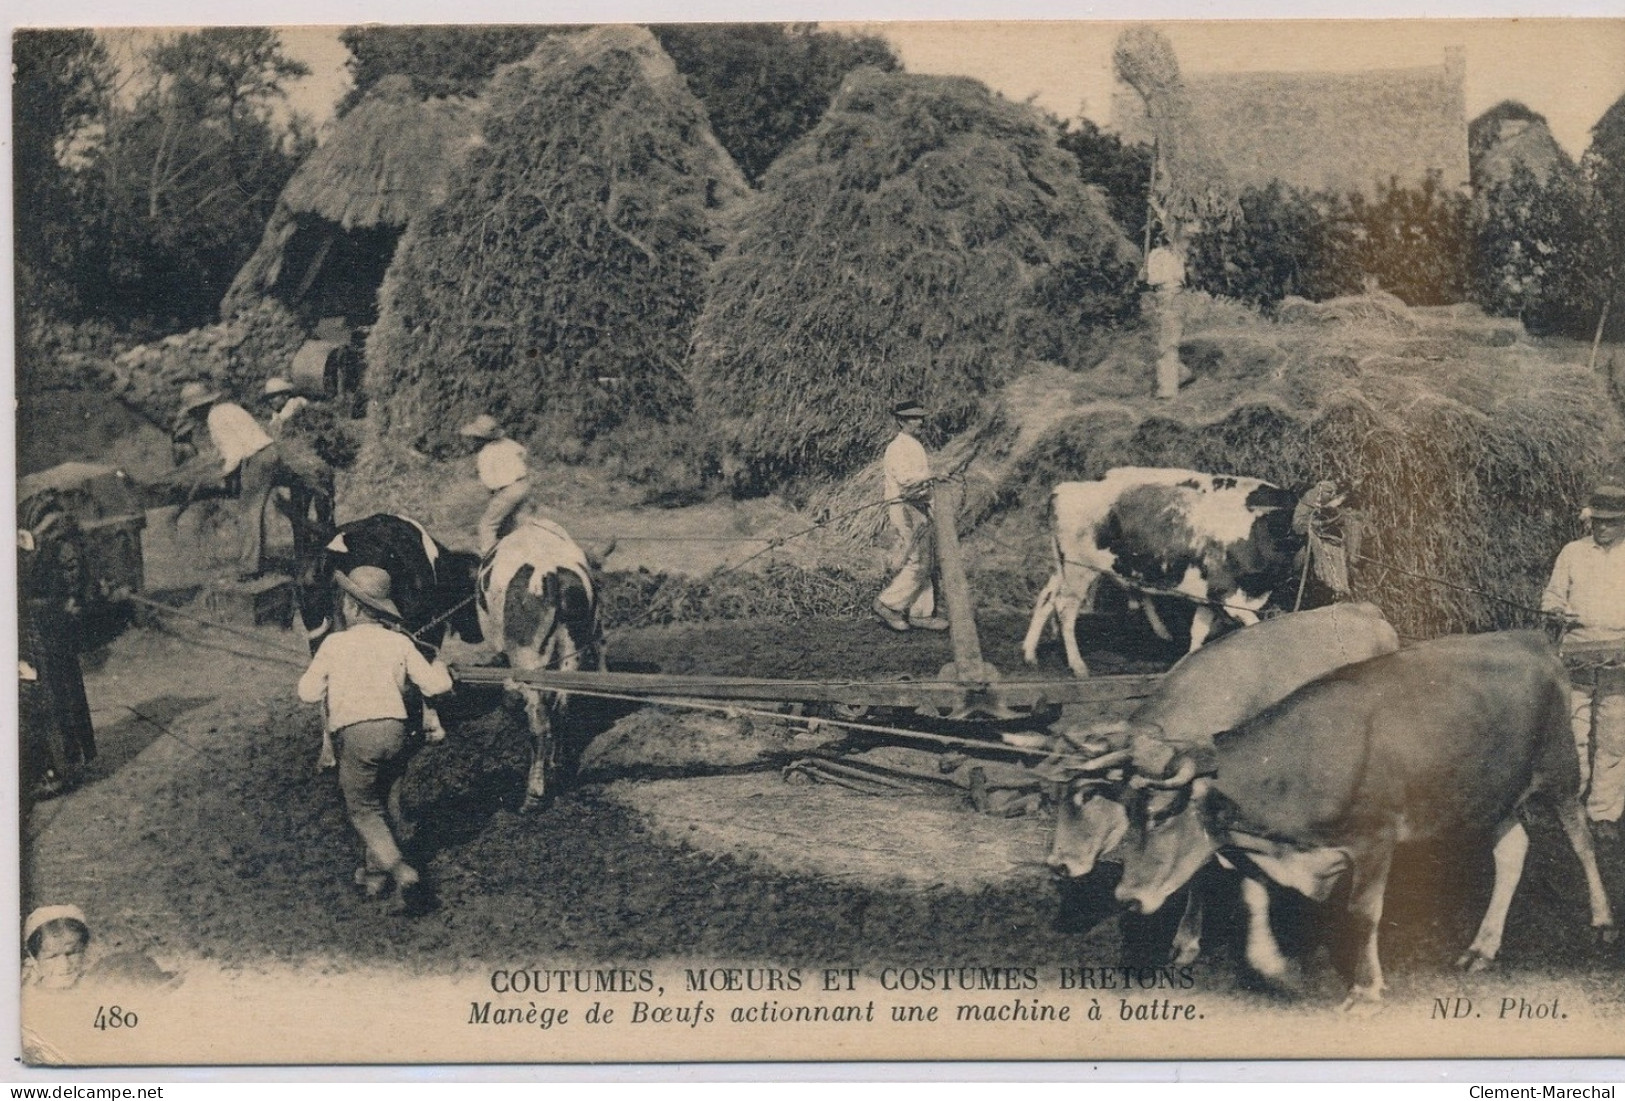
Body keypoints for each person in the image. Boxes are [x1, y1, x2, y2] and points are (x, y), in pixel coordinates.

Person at [298, 566, 454, 905]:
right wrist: (440, 665)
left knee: (363, 808)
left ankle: (401, 871)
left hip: (358, 734)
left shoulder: (334, 644)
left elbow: (307, 693)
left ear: (352, 607)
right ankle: (375, 875)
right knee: (387, 799)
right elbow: (437, 686)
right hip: (396, 731)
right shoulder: (399, 641)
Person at [1542, 482, 1625, 843]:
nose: (1602, 528)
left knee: (1614, 735)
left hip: (1620, 658)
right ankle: (1570, 803)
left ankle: (1605, 813)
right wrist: (1557, 611)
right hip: (1575, 655)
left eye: (1610, 522)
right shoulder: (1573, 553)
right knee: (1574, 732)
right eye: (1597, 521)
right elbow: (1553, 595)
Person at [18, 506, 95, 803]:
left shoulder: (48, 535)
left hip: (41, 625)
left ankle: (59, 770)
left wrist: (69, 598)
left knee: (49, 694)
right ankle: (65, 764)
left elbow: (71, 566)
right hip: (40, 623)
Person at [872, 400, 948, 633]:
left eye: (920, 417)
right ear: (900, 421)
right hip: (904, 506)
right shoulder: (897, 447)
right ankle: (888, 604)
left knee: (927, 560)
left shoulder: (914, 445)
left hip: (918, 505)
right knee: (919, 560)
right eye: (913, 418)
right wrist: (932, 474)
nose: (919, 422)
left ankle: (921, 613)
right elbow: (905, 479)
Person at [460, 414, 532, 555]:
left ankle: (489, 554)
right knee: (511, 520)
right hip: (524, 484)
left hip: (508, 490)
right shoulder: (507, 442)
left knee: (487, 524)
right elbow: (523, 452)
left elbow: (490, 484)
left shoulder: (485, 454)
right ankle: (515, 547)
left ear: (480, 439)